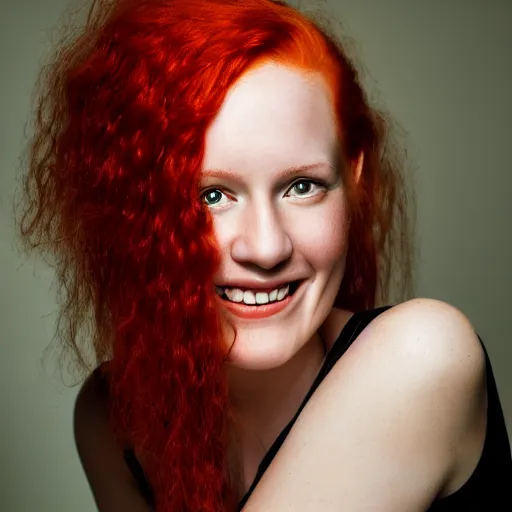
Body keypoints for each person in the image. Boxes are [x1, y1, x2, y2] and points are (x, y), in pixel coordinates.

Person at [15, 0, 511, 510]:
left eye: (302, 186)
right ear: (130, 214)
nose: (268, 247)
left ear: (354, 182)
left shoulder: (422, 356)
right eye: (210, 196)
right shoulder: (111, 419)